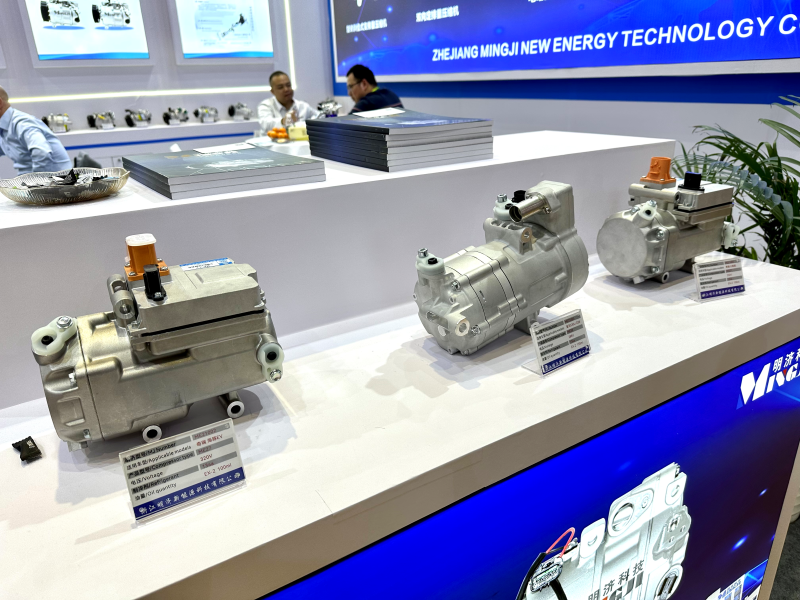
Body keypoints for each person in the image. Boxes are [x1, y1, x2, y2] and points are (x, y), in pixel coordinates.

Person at [0, 85, 71, 174]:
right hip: (28, 178)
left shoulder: (23, 124)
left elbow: (42, 153)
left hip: (56, 179)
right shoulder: (4, 128)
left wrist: (34, 181)